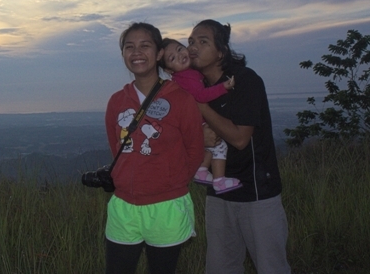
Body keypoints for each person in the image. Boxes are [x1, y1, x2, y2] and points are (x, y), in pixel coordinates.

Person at [187, 19, 291, 274]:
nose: (193, 48)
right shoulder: (197, 87)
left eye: (203, 41)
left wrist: (201, 106)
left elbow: (240, 138)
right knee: (220, 267)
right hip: (219, 192)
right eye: (190, 42)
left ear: (221, 51)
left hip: (256, 192)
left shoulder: (244, 81)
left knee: (270, 266)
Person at [104, 22, 204, 274]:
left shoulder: (180, 98)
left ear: (159, 53)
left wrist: (174, 181)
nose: (136, 52)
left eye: (145, 46)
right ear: (124, 55)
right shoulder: (117, 100)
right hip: (124, 206)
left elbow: (194, 148)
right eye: (129, 47)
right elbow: (115, 146)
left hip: (167, 205)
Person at [160, 38, 242, 193]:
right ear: (169, 70)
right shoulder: (187, 78)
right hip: (197, 122)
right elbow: (201, 96)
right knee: (220, 146)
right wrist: (223, 87)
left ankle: (202, 171)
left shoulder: (186, 75)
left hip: (193, 121)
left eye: (179, 49)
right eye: (172, 58)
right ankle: (219, 180)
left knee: (211, 147)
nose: (180, 56)